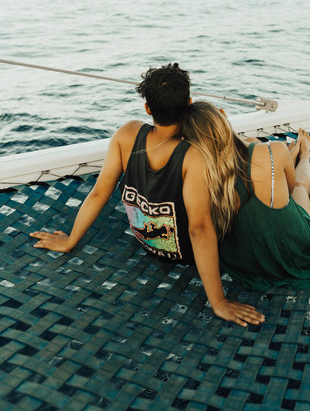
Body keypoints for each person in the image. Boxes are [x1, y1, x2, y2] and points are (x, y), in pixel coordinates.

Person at [30, 63, 265, 327]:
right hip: (184, 252)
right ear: (189, 103)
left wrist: (70, 241)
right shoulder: (193, 155)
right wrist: (218, 301)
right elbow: (199, 228)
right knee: (249, 163)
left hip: (147, 242)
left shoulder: (127, 133)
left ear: (148, 109)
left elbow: (98, 194)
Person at [180, 101, 310, 292]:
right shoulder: (274, 150)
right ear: (223, 113)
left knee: (255, 145)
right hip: (292, 250)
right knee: (299, 187)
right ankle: (304, 155)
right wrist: (281, 159)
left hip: (245, 258)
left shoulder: (198, 172)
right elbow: (288, 192)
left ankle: (292, 155)